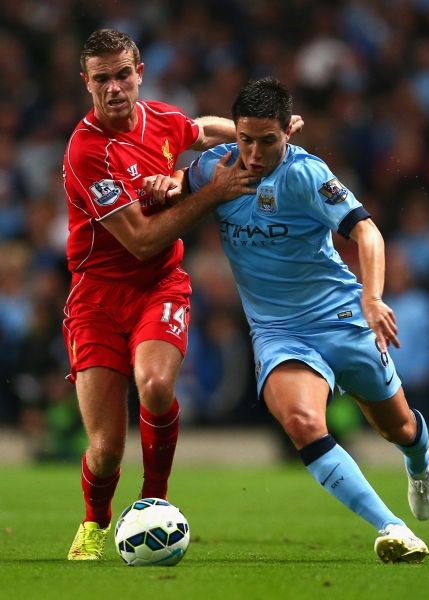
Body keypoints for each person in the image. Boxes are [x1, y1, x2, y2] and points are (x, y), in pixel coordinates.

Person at [183, 77, 429, 563]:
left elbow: (367, 232)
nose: (254, 153)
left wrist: (372, 297)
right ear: (234, 132)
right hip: (278, 332)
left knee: (398, 427)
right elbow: (176, 176)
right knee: (302, 423)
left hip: (340, 316)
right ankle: (392, 527)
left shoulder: (306, 174)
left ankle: (418, 461)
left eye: (267, 141)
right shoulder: (215, 168)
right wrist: (160, 185)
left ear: (288, 133)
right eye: (245, 139)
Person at [62, 28, 263, 561]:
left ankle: (154, 500)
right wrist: (211, 191)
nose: (114, 87)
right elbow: (142, 240)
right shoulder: (88, 151)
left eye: (122, 74)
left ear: (139, 74)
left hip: (159, 286)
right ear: (86, 83)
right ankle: (95, 520)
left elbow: (202, 129)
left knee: (154, 384)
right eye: (101, 79)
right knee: (106, 449)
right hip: (97, 299)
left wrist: (255, 134)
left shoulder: (161, 118)